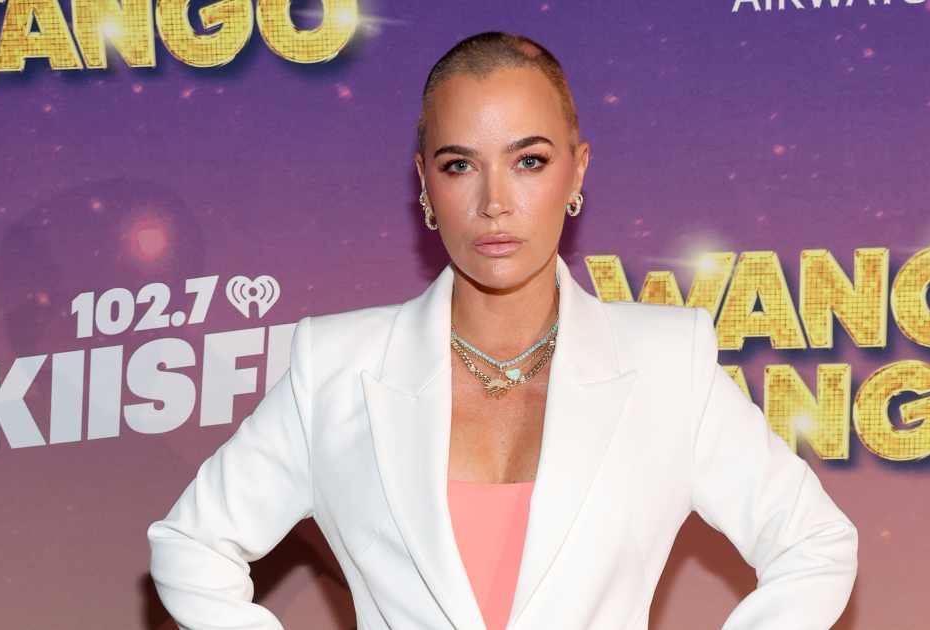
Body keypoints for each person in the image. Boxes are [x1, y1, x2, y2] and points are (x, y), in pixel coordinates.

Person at [147, 31, 859, 630]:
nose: (494, 202)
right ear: (425, 184)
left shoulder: (667, 361)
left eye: (529, 161)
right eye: (460, 165)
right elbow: (191, 546)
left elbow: (816, 545)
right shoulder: (336, 366)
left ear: (576, 172)